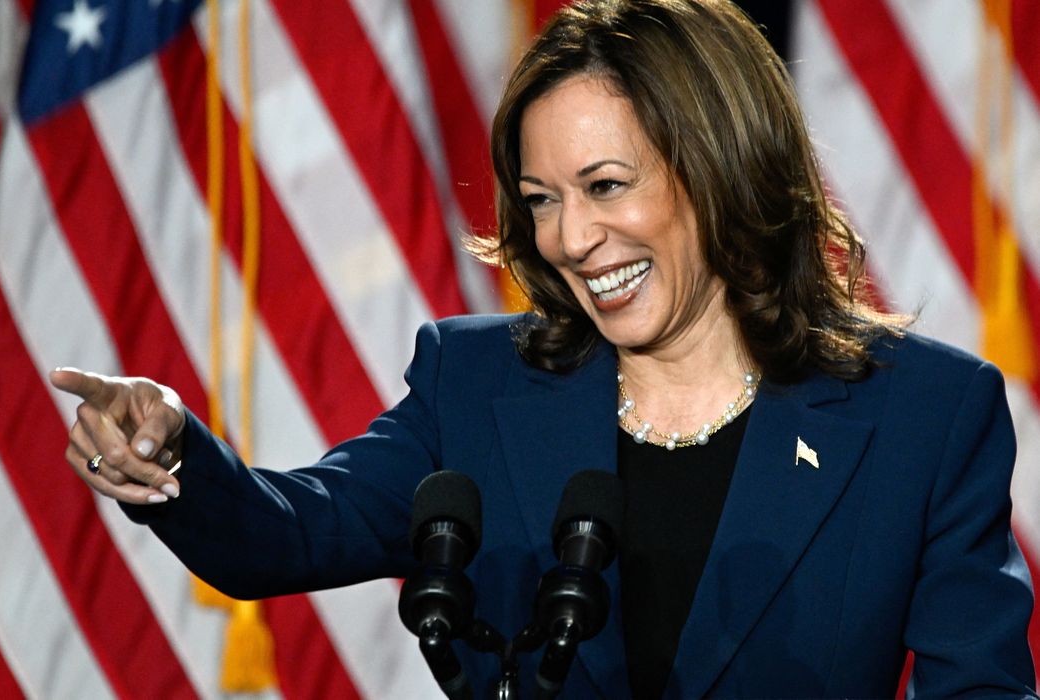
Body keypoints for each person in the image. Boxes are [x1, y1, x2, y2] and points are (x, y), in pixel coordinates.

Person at [50, 0, 1037, 697]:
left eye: (606, 186)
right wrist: (175, 450)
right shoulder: (478, 384)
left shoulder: (923, 416)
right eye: (541, 201)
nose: (569, 239)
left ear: (724, 169)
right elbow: (285, 534)